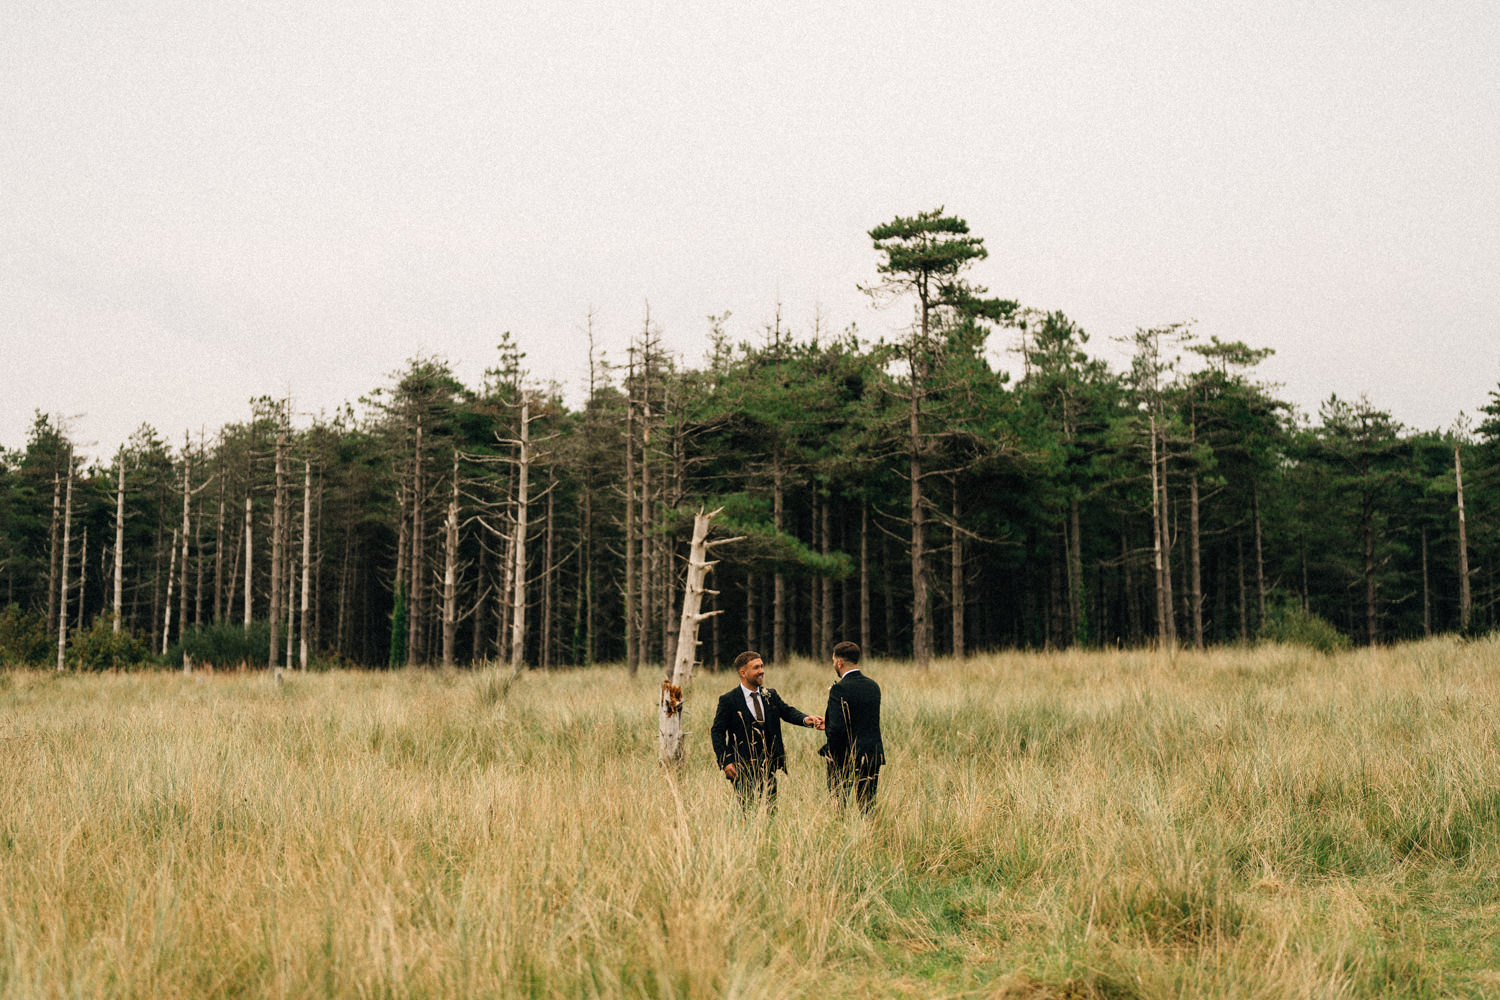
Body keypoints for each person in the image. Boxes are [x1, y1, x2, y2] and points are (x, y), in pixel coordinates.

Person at [710, 650, 821, 808]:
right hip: (742, 767)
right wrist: (725, 762)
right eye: (756, 667)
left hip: (769, 764)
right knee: (748, 810)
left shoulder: (770, 694)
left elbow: (787, 711)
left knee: (771, 809)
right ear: (743, 672)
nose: (761, 671)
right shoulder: (728, 700)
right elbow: (717, 731)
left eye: (762, 666)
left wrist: (806, 719)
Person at [819, 640, 884, 811]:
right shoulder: (873, 686)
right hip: (871, 753)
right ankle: (869, 836)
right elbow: (865, 717)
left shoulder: (839, 689)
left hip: (845, 756)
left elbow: (837, 729)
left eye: (834, 661)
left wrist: (831, 753)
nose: (834, 664)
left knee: (839, 807)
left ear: (840, 662)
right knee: (867, 806)